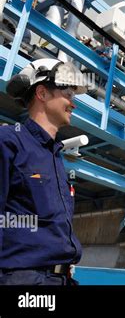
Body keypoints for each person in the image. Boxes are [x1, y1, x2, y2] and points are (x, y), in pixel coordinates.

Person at [0, 58, 88, 285]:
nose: (73, 103)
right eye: (68, 94)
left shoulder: (54, 156)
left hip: (60, 278)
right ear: (42, 93)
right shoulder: (9, 141)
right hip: (25, 279)